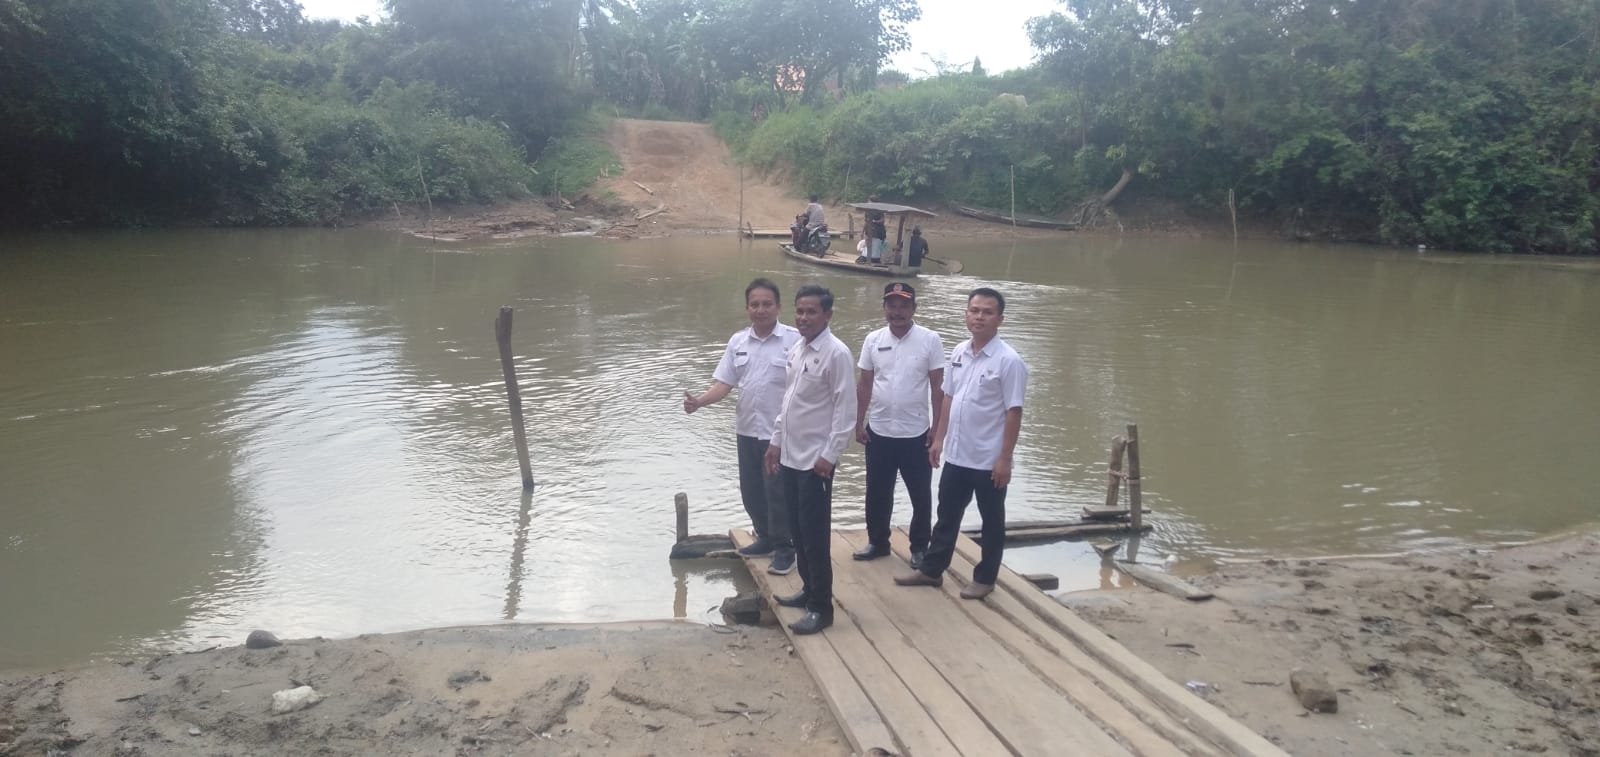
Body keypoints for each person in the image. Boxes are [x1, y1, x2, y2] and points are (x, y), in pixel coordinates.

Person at [895, 287, 1027, 600]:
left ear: (1000, 319)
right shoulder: (958, 353)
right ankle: (931, 570)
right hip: (957, 454)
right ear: (966, 314)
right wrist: (938, 440)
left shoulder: (1009, 361)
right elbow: (949, 399)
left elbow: (1014, 412)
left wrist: (1005, 459)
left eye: (987, 312)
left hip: (988, 458)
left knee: (992, 520)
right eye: (974, 310)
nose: (979, 317)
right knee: (947, 516)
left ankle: (985, 578)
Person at [684, 279, 803, 575]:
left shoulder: (795, 340)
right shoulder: (738, 342)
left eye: (767, 304)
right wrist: (699, 402)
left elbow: (807, 385)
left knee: (778, 491)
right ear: (747, 308)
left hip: (780, 433)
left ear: (778, 307)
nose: (760, 310)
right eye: (755, 305)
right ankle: (764, 538)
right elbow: (725, 383)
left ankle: (786, 549)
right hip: (747, 429)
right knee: (752, 490)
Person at [764, 284, 856, 635]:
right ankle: (808, 588)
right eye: (799, 311)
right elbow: (788, 402)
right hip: (790, 455)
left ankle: (822, 608)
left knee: (815, 535)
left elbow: (845, 412)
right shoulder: (797, 349)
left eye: (811, 312)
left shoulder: (837, 354)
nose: (803, 318)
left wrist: (830, 456)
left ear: (828, 315)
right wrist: (775, 442)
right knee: (798, 530)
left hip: (815, 460)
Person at [853, 282, 945, 569]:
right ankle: (878, 542)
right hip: (878, 431)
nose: (897, 311)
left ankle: (919, 547)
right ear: (884, 309)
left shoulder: (930, 340)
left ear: (914, 309)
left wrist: (937, 429)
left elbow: (938, 388)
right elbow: (865, 384)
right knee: (877, 492)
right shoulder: (873, 339)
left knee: (920, 495)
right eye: (892, 305)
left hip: (916, 432)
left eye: (904, 305)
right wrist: (858, 423)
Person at [858, 197, 887, 264]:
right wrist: (862, 232)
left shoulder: (879, 210)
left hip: (878, 230)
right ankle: (867, 257)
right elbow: (866, 222)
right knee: (868, 244)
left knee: (880, 245)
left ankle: (879, 258)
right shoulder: (867, 211)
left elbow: (882, 220)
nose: (868, 203)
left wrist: (875, 221)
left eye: (869, 201)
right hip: (869, 230)